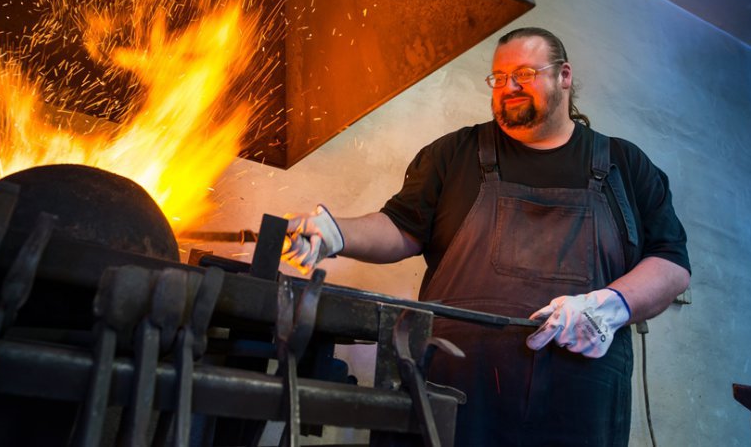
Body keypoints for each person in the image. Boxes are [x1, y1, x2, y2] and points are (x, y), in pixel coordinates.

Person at [281, 27, 691, 446]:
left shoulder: (625, 165)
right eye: (498, 78)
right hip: (453, 391)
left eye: (525, 73)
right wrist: (336, 231)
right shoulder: (455, 153)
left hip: (581, 402)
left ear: (564, 76)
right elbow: (401, 227)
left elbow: (672, 265)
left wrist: (612, 307)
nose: (508, 87)